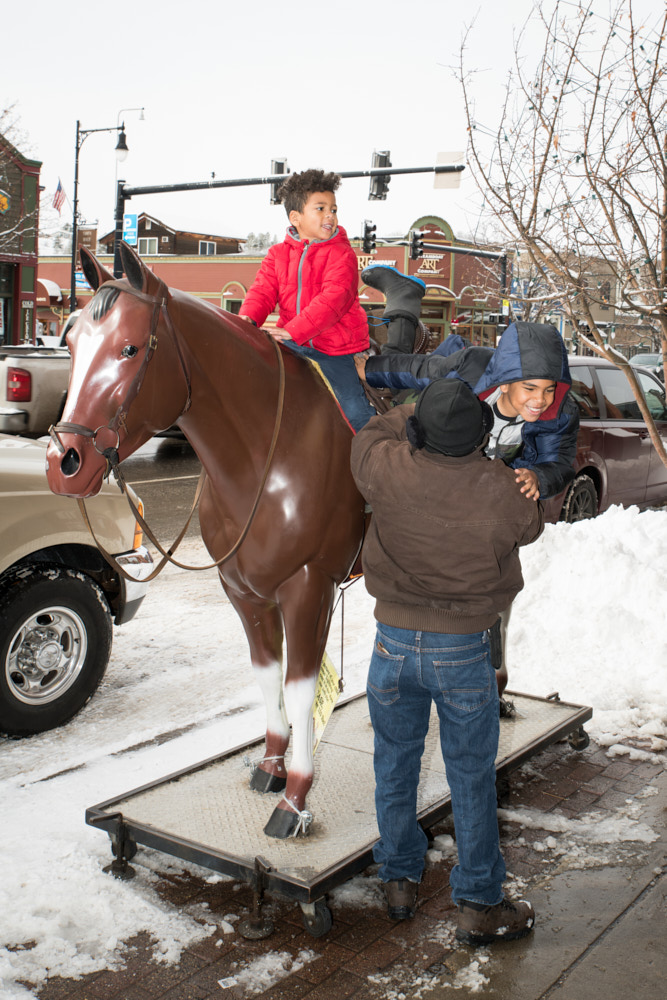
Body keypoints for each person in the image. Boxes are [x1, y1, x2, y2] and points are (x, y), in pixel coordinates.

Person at [350, 379, 544, 944]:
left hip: (391, 645)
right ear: (482, 437)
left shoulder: (384, 467)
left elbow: (370, 431)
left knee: (394, 760)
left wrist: (418, 412)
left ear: (419, 431)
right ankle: (480, 902)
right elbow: (528, 527)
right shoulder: (502, 488)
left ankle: (399, 878)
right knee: (470, 776)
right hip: (462, 650)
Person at [238, 169, 376, 432]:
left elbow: (331, 302)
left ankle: (376, 453)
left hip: (334, 349)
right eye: (321, 208)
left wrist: (291, 331)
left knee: (354, 411)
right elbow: (262, 290)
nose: (330, 216)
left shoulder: (342, 255)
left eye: (334, 209)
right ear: (296, 217)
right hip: (294, 344)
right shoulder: (278, 254)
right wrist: (247, 319)